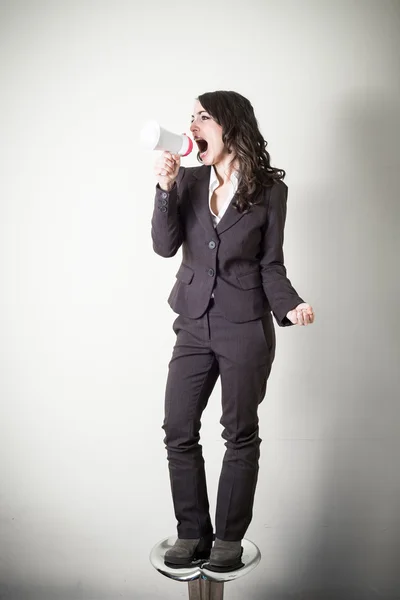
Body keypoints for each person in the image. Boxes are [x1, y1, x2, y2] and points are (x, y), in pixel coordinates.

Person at [150, 90, 314, 573]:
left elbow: (271, 266)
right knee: (178, 429)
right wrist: (164, 188)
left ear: (230, 124)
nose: (193, 124)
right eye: (191, 117)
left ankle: (227, 539)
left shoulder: (269, 191)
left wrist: (291, 305)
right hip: (193, 324)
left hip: (245, 328)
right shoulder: (189, 180)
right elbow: (164, 247)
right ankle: (192, 533)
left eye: (203, 116)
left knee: (239, 434)